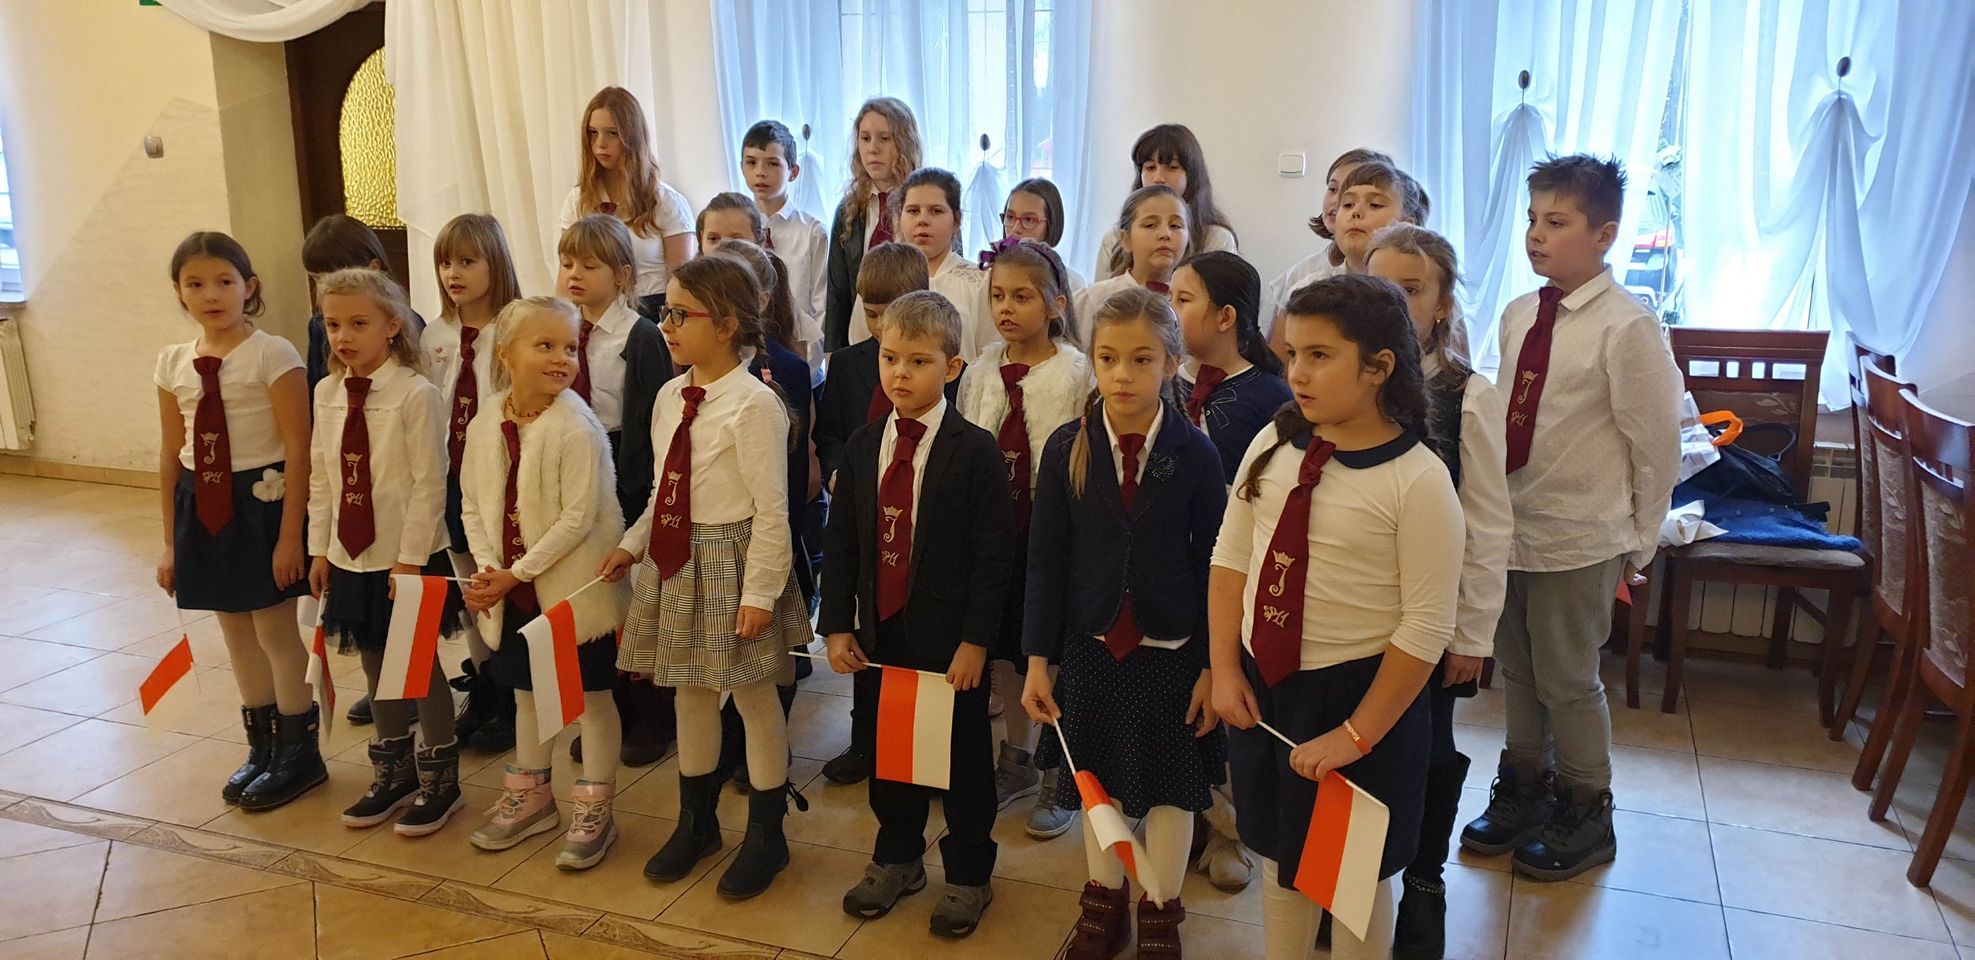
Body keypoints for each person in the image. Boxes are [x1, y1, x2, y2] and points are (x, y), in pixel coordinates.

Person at [1210, 275, 1463, 959]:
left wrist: (1356, 734)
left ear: (1378, 367)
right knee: (1280, 861)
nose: (1296, 372)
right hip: (1268, 688)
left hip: (1360, 698)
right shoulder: (1273, 440)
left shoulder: (1418, 480)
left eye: (1319, 356)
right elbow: (1231, 557)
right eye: (1292, 353)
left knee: (1352, 880)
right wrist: (1225, 668)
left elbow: (1425, 627)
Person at [1460, 155, 1683, 883]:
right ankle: (1526, 786)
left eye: (1555, 222)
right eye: (1531, 219)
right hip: (1514, 527)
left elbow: (1656, 444)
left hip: (1581, 536)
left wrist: (1638, 541)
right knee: (1519, 671)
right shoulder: (1519, 314)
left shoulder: (1627, 327)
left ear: (1604, 234)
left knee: (1567, 678)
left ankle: (1587, 808)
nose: (1535, 235)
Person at [1022, 286, 1227, 960]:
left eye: (1142, 359)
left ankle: (1160, 909)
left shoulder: (1195, 454)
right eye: (1108, 358)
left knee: (1170, 792)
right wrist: (1037, 660)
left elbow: (1215, 565)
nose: (1122, 374)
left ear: (1171, 364)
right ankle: (1103, 901)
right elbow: (1046, 560)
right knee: (1097, 784)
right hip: (1091, 646)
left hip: (1172, 649)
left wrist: (1212, 665)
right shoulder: (1066, 448)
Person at [603, 255, 814, 900]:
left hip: (736, 563)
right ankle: (696, 823)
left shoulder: (755, 405)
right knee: (689, 692)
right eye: (663, 312)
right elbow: (667, 489)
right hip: (677, 560)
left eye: (679, 315)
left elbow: (773, 511)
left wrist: (760, 593)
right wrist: (633, 543)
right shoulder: (671, 396)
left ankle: (767, 835)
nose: (665, 326)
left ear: (724, 325)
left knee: (752, 697)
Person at [823, 290, 1013, 939]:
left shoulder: (975, 452)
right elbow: (842, 544)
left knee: (962, 762)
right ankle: (898, 855)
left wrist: (976, 642)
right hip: (881, 632)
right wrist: (837, 624)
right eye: (889, 358)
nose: (900, 373)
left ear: (952, 368)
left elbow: (993, 559)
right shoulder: (862, 445)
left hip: (951, 642)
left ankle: (969, 870)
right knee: (890, 753)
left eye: (918, 361)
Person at [1366, 223, 1513, 958]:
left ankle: (1424, 878)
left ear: (1442, 304)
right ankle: (1355, 882)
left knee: (1426, 750)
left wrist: (1471, 633)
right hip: (1355, 612)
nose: (1394, 306)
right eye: (1379, 290)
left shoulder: (1465, 396)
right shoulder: (1344, 386)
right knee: (1357, 748)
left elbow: (1487, 523)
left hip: (1429, 618)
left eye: (1411, 290)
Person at [459, 296, 631, 871]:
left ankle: (595, 807)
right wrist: (490, 569)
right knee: (528, 693)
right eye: (545, 346)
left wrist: (517, 572)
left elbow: (578, 518)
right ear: (506, 355)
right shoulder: (487, 420)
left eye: (569, 347)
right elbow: (472, 503)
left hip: (571, 592)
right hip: (512, 592)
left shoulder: (576, 426)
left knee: (590, 699)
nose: (562, 358)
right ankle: (531, 796)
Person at [154, 231, 323, 812]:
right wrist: (171, 544)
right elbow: (170, 452)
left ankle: (300, 750)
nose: (211, 295)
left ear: (249, 287)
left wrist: (290, 536)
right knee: (234, 632)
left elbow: (299, 447)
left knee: (274, 630)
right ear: (179, 292)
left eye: (224, 281)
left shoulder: (272, 354)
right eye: (195, 284)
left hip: (262, 504)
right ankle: (263, 745)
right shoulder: (172, 362)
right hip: (201, 507)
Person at [305, 268, 464, 837]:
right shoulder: (326, 393)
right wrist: (319, 549)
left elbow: (429, 483)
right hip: (352, 555)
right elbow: (323, 477)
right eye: (333, 325)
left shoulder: (415, 394)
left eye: (358, 323)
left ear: (392, 326)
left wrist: (411, 559)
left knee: (416, 665)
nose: (343, 336)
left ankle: (441, 778)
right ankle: (394, 768)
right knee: (374, 659)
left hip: (407, 555)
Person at [958, 238, 1092, 818]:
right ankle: (1017, 753)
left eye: (1022, 296)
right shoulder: (982, 369)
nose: (1006, 308)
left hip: (1053, 538)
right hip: (997, 538)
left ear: (1055, 305)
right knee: (1009, 653)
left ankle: (1059, 769)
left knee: (1050, 654)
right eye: (997, 296)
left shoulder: (1075, 373)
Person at [812, 241, 939, 787]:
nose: (885, 327)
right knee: (867, 633)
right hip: (862, 517)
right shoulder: (847, 365)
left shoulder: (937, 366)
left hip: (919, 526)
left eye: (895, 313)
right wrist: (837, 471)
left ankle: (925, 753)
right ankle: (865, 739)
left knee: (914, 635)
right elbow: (830, 433)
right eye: (872, 315)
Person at [424, 213, 523, 755]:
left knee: (499, 582)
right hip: (450, 475)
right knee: (468, 589)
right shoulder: (435, 334)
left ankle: (511, 694)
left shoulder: (514, 328)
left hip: (500, 478)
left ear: (496, 264)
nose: (453, 273)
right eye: (445, 262)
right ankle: (484, 685)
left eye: (466, 261)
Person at [558, 86, 696, 319]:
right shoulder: (578, 199)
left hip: (652, 314)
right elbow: (565, 276)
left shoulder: (666, 202)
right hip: (593, 313)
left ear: (632, 136)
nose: (600, 144)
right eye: (593, 133)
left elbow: (683, 284)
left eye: (612, 133)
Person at [1170, 250, 1291, 485]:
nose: (1169, 311)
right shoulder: (1164, 382)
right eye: (1169, 298)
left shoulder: (1271, 395)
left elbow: (1278, 476)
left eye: (1183, 300)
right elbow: (1160, 462)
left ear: (1225, 317)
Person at [1262, 147, 1393, 349]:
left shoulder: (1400, 275)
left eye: (1373, 203)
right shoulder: (1303, 275)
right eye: (1333, 189)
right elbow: (1278, 355)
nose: (1336, 200)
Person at [824, 97, 924, 350]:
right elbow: (837, 294)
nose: (873, 149)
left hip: (916, 337)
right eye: (865, 138)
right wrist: (833, 353)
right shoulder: (849, 210)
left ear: (905, 142)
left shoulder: (926, 206)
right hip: (859, 341)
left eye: (884, 138)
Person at [1093, 124, 1237, 279]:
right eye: (1150, 167)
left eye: (1172, 167)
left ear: (1191, 175)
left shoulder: (1215, 239)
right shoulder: (1115, 239)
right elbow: (1102, 291)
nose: (1158, 178)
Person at [302, 214, 424, 396]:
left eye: (359, 323)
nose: (327, 288)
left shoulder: (410, 322)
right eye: (317, 279)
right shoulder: (319, 324)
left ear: (373, 268)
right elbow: (315, 386)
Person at [741, 120, 828, 371]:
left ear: (793, 171)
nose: (760, 172)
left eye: (772, 163)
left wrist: (807, 366)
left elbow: (821, 307)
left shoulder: (812, 232)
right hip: (744, 360)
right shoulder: (736, 228)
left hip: (798, 356)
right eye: (751, 162)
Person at [897, 167, 992, 359]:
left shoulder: (980, 282)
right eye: (913, 211)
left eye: (935, 211)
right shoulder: (884, 275)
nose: (923, 220)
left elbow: (991, 354)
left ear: (956, 220)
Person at [1074, 186, 1189, 337]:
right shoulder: (1092, 300)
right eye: (1150, 225)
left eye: (1175, 226)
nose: (1165, 234)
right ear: (1126, 239)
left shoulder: (1194, 303)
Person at [1331, 161, 1428, 276]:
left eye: (1375, 205)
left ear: (1406, 226)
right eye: (1348, 204)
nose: (1356, 212)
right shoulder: (1316, 283)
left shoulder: (1425, 284)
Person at [998, 177, 1086, 295]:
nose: (1015, 228)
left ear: (1050, 225)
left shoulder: (1071, 283)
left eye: (1029, 220)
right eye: (1010, 217)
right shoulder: (991, 275)